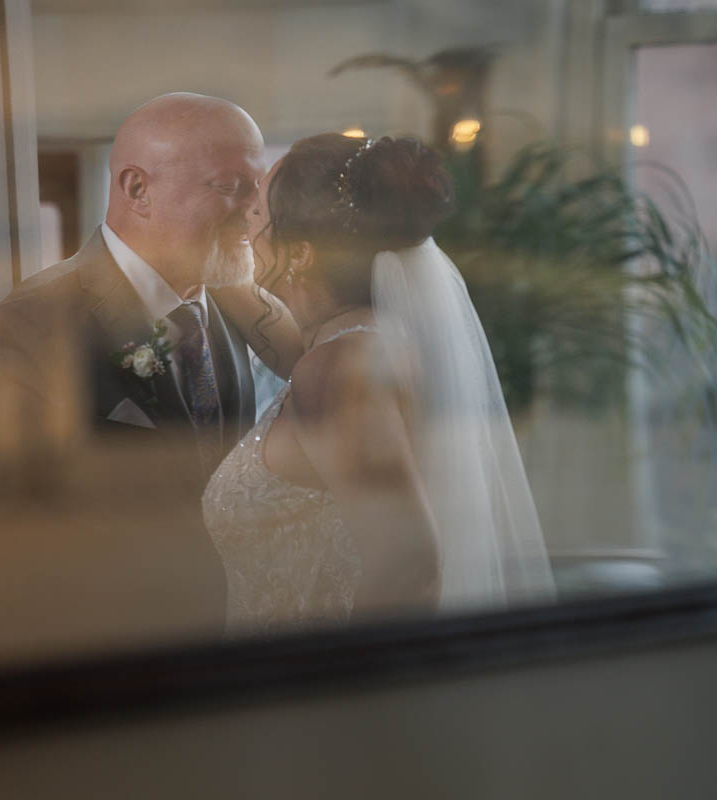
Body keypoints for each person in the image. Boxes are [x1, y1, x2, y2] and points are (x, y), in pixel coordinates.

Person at [0, 93, 298, 635]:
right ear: (137, 190)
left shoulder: (232, 302)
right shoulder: (26, 330)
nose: (253, 209)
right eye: (229, 186)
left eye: (257, 186)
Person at [203, 133, 556, 633]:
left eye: (256, 212)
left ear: (300, 254)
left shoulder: (337, 367)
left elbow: (407, 567)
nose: (242, 220)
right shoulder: (365, 343)